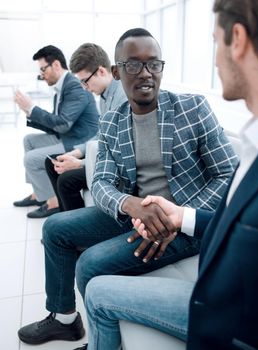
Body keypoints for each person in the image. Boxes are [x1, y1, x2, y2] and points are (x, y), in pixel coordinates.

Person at [80, 1, 258, 349]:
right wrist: (182, 217)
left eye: (214, 42)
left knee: (96, 285)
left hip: (228, 321)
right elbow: (238, 227)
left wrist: (171, 225)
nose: (213, 60)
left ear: (236, 40)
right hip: (200, 269)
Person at [17, 28, 238, 345]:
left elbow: (227, 175)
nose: (146, 73)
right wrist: (129, 205)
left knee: (90, 265)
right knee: (55, 228)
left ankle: (102, 341)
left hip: (186, 222)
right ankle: (65, 319)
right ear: (118, 72)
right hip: (133, 212)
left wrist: (177, 217)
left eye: (154, 64)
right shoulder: (111, 121)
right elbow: (102, 182)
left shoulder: (193, 109)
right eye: (134, 65)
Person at [13, 45, 98, 218]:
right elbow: (57, 124)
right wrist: (30, 113)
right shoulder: (61, 87)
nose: (42, 75)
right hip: (67, 136)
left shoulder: (74, 86)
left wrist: (32, 108)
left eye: (43, 69)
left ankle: (53, 202)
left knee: (31, 159)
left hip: (79, 140)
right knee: (29, 140)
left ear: (57, 65)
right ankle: (39, 194)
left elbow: (63, 124)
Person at [45, 43, 126, 211]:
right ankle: (64, 217)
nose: (84, 88)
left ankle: (73, 227)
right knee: (52, 162)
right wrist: (77, 152)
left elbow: (119, 153)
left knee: (66, 181)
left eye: (85, 81)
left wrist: (80, 163)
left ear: (101, 71)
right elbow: (102, 134)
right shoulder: (104, 96)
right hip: (101, 155)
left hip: (117, 165)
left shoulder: (122, 99)